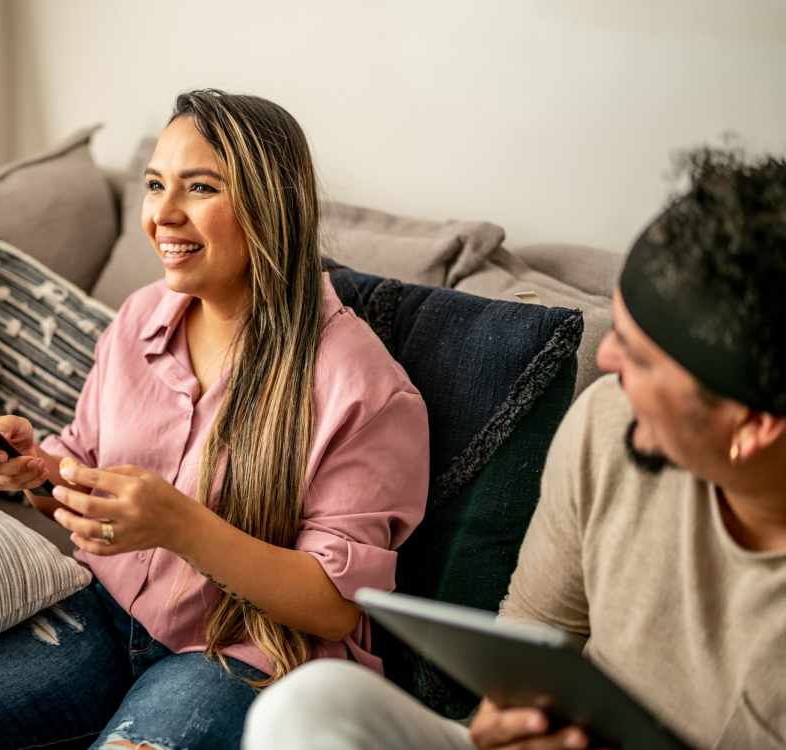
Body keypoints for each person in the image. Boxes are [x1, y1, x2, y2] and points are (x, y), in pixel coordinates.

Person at [0, 89, 429, 750]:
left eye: (199, 187)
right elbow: (84, 463)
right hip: (104, 615)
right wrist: (34, 475)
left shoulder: (363, 389)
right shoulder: (142, 316)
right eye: (153, 185)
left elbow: (333, 604)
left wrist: (181, 526)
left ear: (270, 203)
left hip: (240, 659)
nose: (161, 216)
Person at [241, 147, 786, 750]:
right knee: (311, 703)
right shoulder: (608, 425)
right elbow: (536, 632)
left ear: (753, 425)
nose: (605, 359)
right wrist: (501, 723)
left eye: (639, 355)